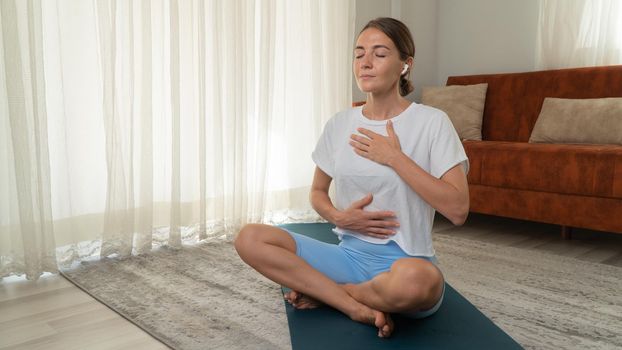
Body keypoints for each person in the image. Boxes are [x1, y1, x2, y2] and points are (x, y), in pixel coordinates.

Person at [235, 17, 469, 338]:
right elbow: (318, 192)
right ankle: (354, 307)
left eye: (380, 53)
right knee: (250, 238)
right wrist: (339, 216)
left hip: (405, 266)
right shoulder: (339, 123)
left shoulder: (432, 122)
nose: (366, 63)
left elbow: (458, 210)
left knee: (420, 282)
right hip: (348, 256)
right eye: (359, 54)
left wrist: (395, 158)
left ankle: (333, 293)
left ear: (405, 64)